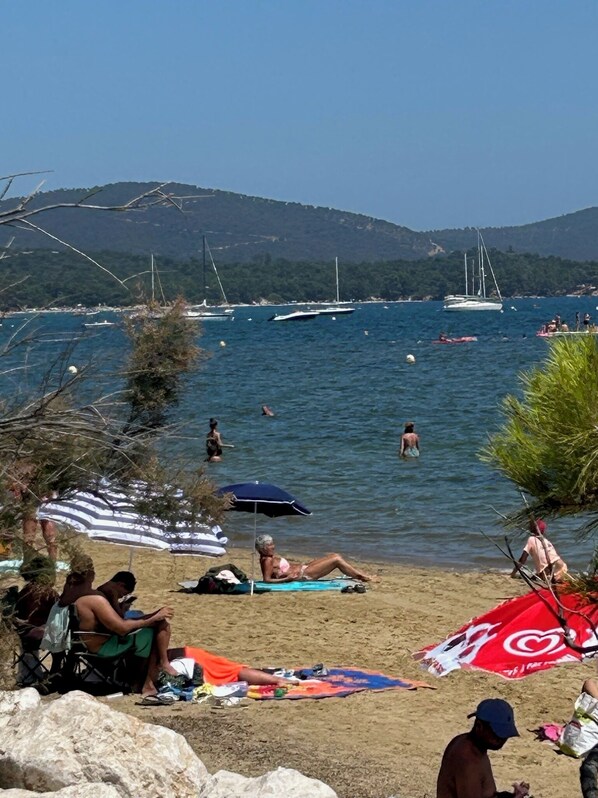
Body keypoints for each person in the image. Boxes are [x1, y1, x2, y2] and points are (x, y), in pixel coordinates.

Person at [60, 555, 178, 696]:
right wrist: (153, 618)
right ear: (91, 576)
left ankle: (145, 680)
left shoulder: (71, 597)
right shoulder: (95, 600)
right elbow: (121, 628)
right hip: (103, 648)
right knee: (154, 630)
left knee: (151, 626)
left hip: (88, 643)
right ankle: (147, 682)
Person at [436, 698, 529, 798]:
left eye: (505, 735)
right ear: (479, 726)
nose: (501, 740)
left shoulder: (465, 742)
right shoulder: (468, 760)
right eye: (497, 734)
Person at [255, 533, 376, 583]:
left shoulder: (268, 558)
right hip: (303, 574)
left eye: (272, 544)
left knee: (335, 555)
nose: (273, 546)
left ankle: (360, 574)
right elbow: (267, 580)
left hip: (303, 568)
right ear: (263, 548)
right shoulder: (267, 560)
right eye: (270, 545)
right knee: (336, 560)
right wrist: (287, 579)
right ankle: (362, 577)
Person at [9, 463, 57, 561]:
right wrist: (20, 487)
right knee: (28, 536)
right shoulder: (22, 467)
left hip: (46, 504)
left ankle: (53, 562)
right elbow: (15, 491)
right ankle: (27, 561)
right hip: (29, 503)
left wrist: (50, 494)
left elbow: (56, 489)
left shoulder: (49, 467)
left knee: (50, 535)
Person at [510, 518, 568, 583]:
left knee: (544, 574)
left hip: (549, 571)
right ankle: (554, 578)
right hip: (561, 566)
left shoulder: (531, 539)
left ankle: (550, 577)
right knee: (544, 572)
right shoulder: (545, 541)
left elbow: (523, 559)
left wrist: (513, 573)